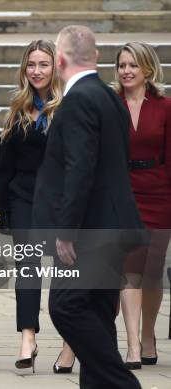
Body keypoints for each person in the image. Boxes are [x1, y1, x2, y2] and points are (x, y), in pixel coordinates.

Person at [32, 25, 144, 388]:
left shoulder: (79, 99)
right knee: (96, 310)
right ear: (95, 57)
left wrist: (67, 232)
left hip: (90, 231)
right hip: (112, 225)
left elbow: (80, 169)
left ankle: (122, 383)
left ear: (59, 60)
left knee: (66, 306)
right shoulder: (110, 96)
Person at [0, 39, 76, 373]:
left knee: (65, 273)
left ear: (55, 67)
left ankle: (70, 345)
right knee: (27, 270)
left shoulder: (71, 106)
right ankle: (27, 339)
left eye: (43, 64)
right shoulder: (18, 107)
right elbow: (7, 164)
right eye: (31, 65)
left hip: (61, 202)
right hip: (24, 198)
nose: (36, 71)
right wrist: (5, 209)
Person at [114, 42, 171, 369]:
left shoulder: (165, 107)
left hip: (158, 194)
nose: (126, 71)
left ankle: (148, 335)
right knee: (130, 271)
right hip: (123, 194)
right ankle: (133, 345)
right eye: (122, 65)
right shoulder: (111, 104)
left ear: (148, 69)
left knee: (152, 273)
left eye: (133, 65)